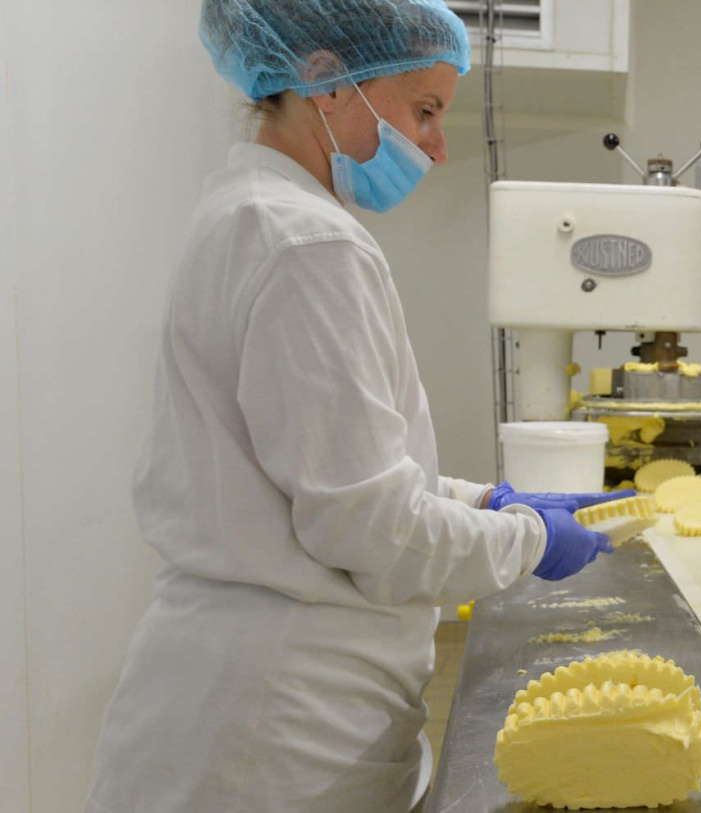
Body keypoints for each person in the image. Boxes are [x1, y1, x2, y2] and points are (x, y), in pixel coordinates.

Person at [85, 2, 629, 810]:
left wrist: (487, 499)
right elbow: (367, 524)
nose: (438, 148)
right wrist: (525, 541)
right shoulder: (309, 245)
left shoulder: (248, 214)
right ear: (326, 82)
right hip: (282, 732)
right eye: (425, 111)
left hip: (255, 698)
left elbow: (335, 468)